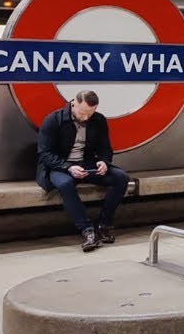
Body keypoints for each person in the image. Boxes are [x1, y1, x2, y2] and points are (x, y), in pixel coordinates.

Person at [37, 90, 129, 251]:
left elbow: (105, 148)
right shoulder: (53, 119)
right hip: (60, 166)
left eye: (90, 114)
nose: (86, 118)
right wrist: (68, 167)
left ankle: (103, 224)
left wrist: (104, 161)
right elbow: (45, 153)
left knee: (121, 177)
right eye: (83, 113)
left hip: (87, 164)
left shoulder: (98, 119)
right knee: (65, 184)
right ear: (74, 103)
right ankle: (87, 230)